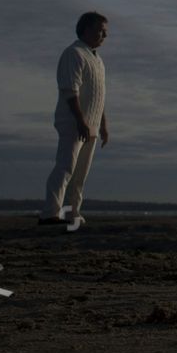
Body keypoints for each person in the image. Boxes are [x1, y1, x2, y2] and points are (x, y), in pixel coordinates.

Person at [40, 12, 110, 228]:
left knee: (80, 174)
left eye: (106, 32)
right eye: (101, 30)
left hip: (91, 126)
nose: (104, 35)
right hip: (73, 123)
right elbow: (70, 90)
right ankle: (50, 212)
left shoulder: (97, 60)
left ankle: (71, 214)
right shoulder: (74, 53)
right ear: (86, 29)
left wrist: (103, 125)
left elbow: (99, 95)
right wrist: (80, 121)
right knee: (66, 167)